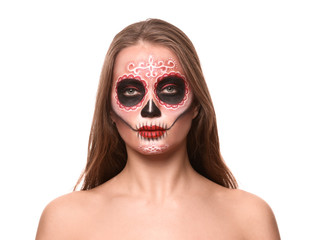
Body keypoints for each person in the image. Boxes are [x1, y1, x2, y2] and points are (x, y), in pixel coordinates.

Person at [36, 19, 280, 239]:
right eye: (131, 91)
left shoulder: (250, 217)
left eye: (169, 89)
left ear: (196, 103)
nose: (150, 110)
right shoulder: (64, 221)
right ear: (108, 109)